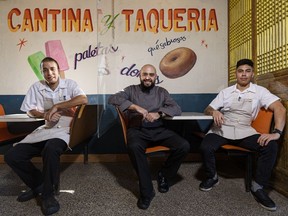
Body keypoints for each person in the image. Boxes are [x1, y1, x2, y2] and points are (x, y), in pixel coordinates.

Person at [199, 59, 286, 211]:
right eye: (241, 71)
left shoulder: (260, 91)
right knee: (206, 146)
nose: (244, 74)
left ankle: (258, 187)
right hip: (222, 128)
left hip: (245, 130)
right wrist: (214, 111)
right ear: (236, 73)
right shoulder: (226, 92)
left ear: (252, 74)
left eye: (247, 71)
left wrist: (276, 133)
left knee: (270, 146)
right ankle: (212, 177)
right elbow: (207, 108)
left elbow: (280, 108)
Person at [4, 57, 88, 215]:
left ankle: (48, 196)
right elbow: (29, 109)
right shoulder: (36, 87)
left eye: (52, 69)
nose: (49, 73)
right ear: (42, 72)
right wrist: (45, 114)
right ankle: (40, 185)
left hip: (65, 129)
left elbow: (83, 99)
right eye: (45, 70)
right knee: (12, 156)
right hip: (47, 128)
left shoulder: (69, 84)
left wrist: (57, 106)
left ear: (58, 70)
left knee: (50, 149)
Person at [108, 64, 190, 210]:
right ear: (140, 75)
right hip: (137, 130)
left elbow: (177, 108)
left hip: (158, 129)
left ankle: (164, 175)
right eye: (145, 74)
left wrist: (159, 113)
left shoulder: (162, 92)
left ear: (155, 77)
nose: (147, 77)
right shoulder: (130, 90)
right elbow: (113, 98)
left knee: (184, 145)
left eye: (151, 75)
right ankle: (147, 192)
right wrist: (135, 107)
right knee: (133, 146)